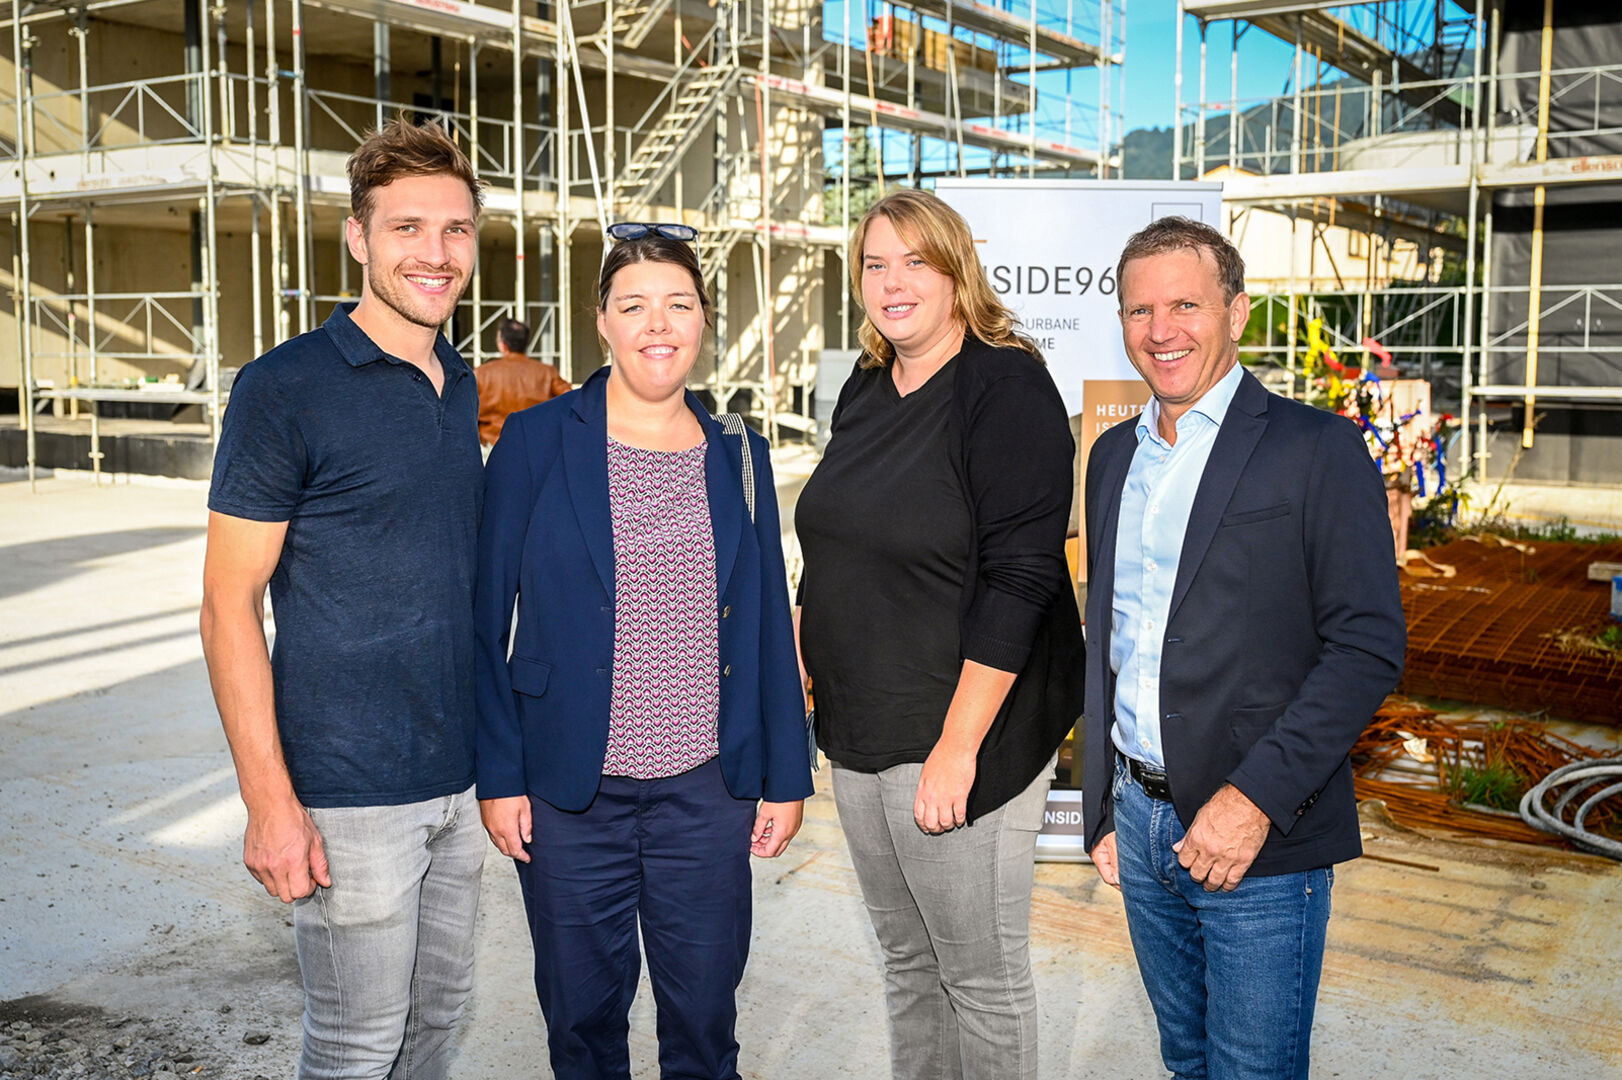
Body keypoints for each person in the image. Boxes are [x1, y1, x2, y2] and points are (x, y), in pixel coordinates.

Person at [474, 222, 814, 1080]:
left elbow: (767, 621)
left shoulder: (739, 452)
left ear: (703, 320)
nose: (658, 324)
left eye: (678, 304)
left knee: (704, 1025)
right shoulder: (536, 441)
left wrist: (786, 775)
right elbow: (484, 619)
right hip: (567, 793)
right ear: (602, 322)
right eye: (634, 306)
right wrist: (500, 776)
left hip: (705, 792)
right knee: (582, 1027)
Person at [1081, 216, 1406, 1080]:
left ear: (1237, 312)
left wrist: (1253, 800)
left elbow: (1367, 646)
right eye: (1140, 309)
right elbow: (1112, 641)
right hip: (1139, 822)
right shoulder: (1112, 459)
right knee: (1186, 1060)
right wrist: (1104, 803)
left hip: (1258, 836)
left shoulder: (1316, 448)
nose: (1161, 330)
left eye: (1185, 305)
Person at [199, 119, 485, 1079]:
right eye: (407, 228)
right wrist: (268, 802)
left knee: (437, 1027)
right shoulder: (285, 387)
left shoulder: (458, 382)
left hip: (460, 779)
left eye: (455, 229)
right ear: (358, 237)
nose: (435, 253)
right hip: (347, 792)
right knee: (357, 1047)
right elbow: (227, 605)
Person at [794, 188, 1085, 1080]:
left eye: (915, 261)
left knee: (980, 979)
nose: (893, 282)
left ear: (957, 271)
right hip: (859, 728)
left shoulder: (1005, 384)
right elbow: (836, 536)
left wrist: (959, 748)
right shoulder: (866, 384)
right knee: (908, 964)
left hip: (960, 732)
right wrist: (801, 657)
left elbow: (1022, 577)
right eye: (875, 264)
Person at [474, 316, 572, 446]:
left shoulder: (482, 373)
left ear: (503, 345)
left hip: (493, 445)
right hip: (537, 443)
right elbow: (571, 403)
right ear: (526, 343)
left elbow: (465, 413)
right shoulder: (547, 372)